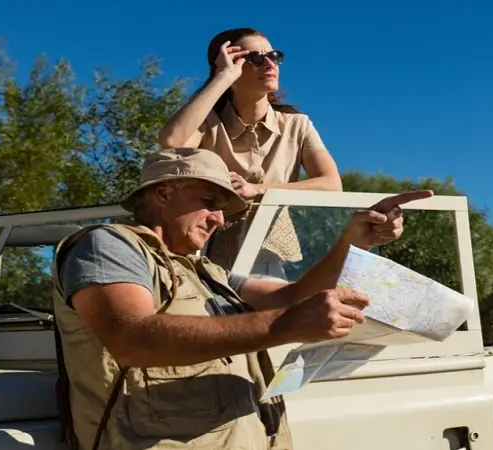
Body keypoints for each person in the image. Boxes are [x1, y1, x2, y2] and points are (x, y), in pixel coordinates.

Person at [51, 147, 433, 450]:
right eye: (209, 201)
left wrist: (353, 241)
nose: (219, 218)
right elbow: (132, 338)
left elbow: (294, 295)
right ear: (164, 192)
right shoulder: (108, 245)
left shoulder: (208, 272)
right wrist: (287, 324)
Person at [159, 27, 342, 281]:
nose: (269, 64)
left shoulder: (297, 125)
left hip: (271, 258)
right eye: (255, 58)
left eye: (274, 56)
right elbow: (171, 141)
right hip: (206, 256)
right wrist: (223, 77)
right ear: (229, 64)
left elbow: (332, 186)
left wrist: (258, 189)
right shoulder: (207, 123)